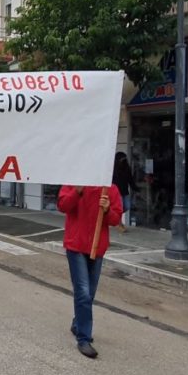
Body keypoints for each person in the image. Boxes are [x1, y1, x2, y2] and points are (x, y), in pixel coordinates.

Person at [57, 184, 122, 359]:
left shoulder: (111, 189)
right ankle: (84, 338)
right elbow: (62, 206)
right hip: (76, 245)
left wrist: (107, 210)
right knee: (83, 293)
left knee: (90, 293)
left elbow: (116, 220)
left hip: (97, 247)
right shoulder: (74, 182)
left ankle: (78, 322)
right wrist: (77, 192)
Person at [112, 152, 137, 232]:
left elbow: (130, 179)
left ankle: (115, 218)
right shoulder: (113, 169)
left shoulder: (126, 168)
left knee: (127, 206)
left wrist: (135, 188)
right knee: (120, 208)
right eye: (122, 158)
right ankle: (119, 224)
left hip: (125, 191)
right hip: (117, 192)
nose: (124, 160)